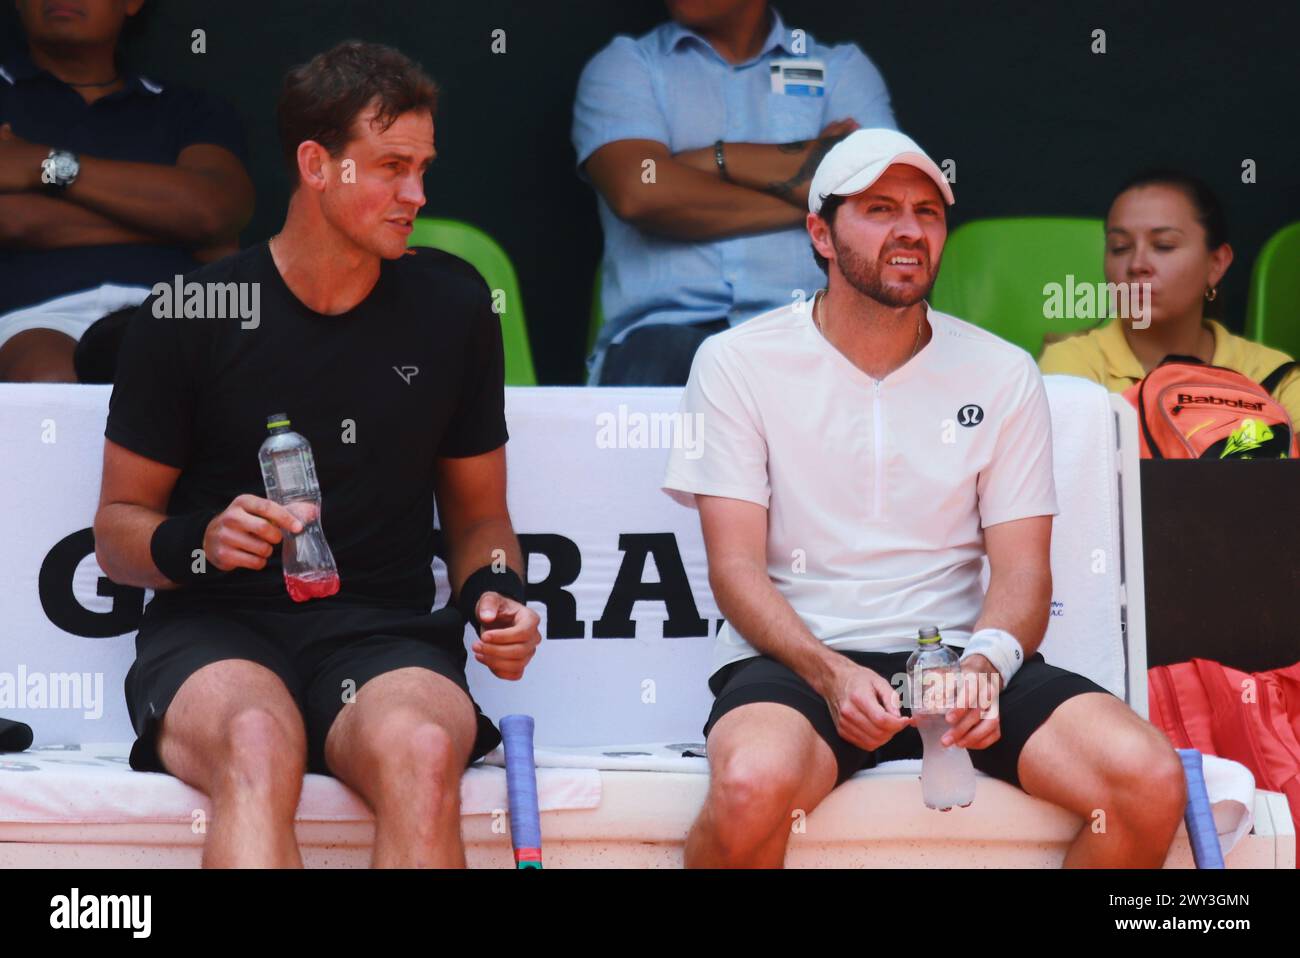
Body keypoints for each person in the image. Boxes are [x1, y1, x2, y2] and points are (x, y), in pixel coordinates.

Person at [662, 127, 1187, 868]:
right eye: (879, 209)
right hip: (800, 663)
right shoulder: (737, 362)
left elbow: (1024, 574)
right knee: (751, 784)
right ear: (820, 231)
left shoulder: (1000, 371)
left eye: (927, 211)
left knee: (1148, 779)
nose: (909, 228)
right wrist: (831, 673)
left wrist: (986, 666)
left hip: (956, 659)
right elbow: (736, 570)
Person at [93, 41, 541, 868]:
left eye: (424, 167)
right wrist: (201, 539)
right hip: (216, 627)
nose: (417, 194)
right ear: (315, 164)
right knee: (258, 742)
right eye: (391, 167)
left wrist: (498, 592)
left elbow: (480, 516)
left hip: (385, 631)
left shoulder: (452, 304)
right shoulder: (192, 308)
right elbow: (116, 533)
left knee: (422, 751)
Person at [573, 0, 895, 385]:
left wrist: (713, 158)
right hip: (664, 335)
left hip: (810, 332)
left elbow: (881, 194)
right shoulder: (627, 65)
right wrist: (819, 200)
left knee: (857, 380)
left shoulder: (841, 70)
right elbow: (640, 190)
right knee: (654, 368)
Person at [0, 0, 252, 382]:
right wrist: (174, 225)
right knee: (50, 380)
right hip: (35, 317)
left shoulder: (190, 109)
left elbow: (212, 212)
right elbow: (11, 220)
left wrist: (41, 163)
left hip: (180, 309)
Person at [1039, 169, 1300, 425]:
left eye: (1164, 245)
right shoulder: (1072, 367)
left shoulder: (1274, 377)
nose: (1137, 264)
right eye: (1120, 248)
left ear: (1217, 263)